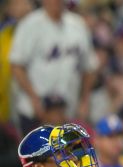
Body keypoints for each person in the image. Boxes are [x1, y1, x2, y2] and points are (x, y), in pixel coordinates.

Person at [9, 0, 98, 135]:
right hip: (34, 111)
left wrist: (84, 100)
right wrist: (34, 98)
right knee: (35, 155)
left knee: (66, 155)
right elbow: (16, 65)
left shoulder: (78, 24)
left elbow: (89, 67)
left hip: (66, 111)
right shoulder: (29, 24)